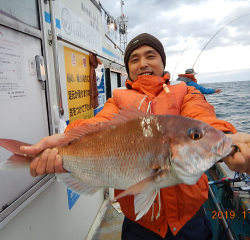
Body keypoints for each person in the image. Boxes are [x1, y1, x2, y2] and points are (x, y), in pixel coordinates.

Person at [20, 33, 250, 240]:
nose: (143, 63)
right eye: (134, 59)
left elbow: (202, 118)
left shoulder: (187, 93)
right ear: (128, 68)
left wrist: (229, 137)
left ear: (162, 62)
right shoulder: (118, 100)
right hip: (139, 227)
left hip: (190, 222)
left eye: (150, 56)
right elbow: (98, 124)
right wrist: (61, 143)